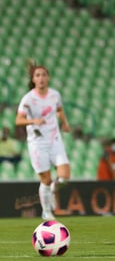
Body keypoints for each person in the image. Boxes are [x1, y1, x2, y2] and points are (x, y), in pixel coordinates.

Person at [15, 62, 71, 221]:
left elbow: (59, 109)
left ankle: (53, 189)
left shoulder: (55, 95)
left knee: (64, 177)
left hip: (54, 139)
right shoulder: (28, 99)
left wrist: (65, 123)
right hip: (38, 143)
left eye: (44, 75)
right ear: (33, 79)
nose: (41, 78)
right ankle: (46, 211)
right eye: (37, 75)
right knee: (45, 179)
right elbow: (18, 120)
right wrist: (33, 121)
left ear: (48, 77)